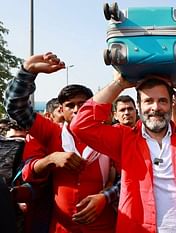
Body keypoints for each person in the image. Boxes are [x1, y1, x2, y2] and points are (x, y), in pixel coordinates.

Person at [70, 62, 176, 232]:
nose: (155, 107)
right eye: (148, 101)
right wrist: (119, 84)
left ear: (171, 103)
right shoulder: (124, 139)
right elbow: (80, 125)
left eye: (162, 101)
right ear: (139, 106)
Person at [5, 52, 116, 233]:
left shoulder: (111, 135)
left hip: (105, 226)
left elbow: (127, 180)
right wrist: (27, 72)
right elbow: (16, 107)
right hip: (60, 228)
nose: (77, 109)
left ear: (92, 107)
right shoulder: (51, 132)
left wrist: (105, 197)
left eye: (83, 104)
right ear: (61, 110)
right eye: (70, 105)